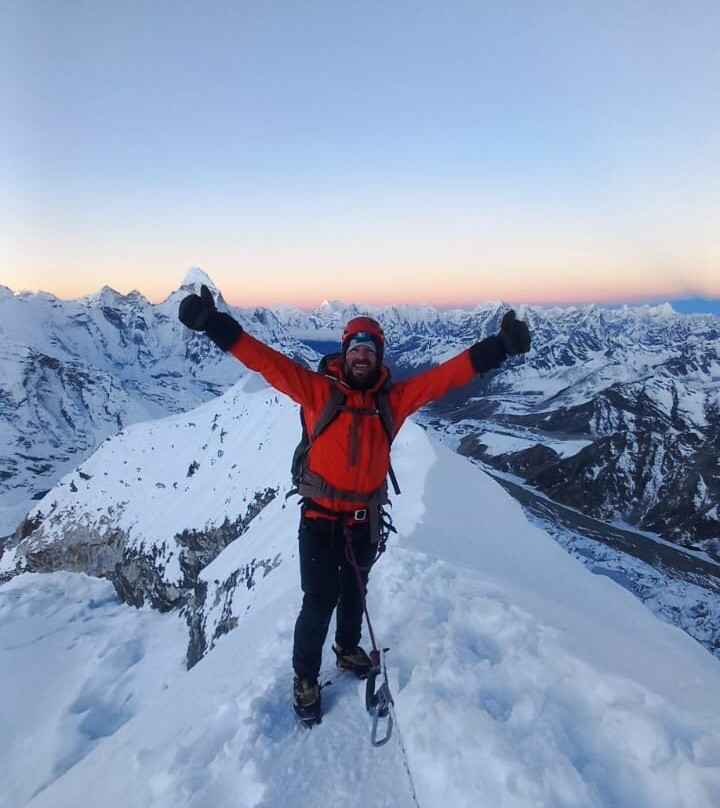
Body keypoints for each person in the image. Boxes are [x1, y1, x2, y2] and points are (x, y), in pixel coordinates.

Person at [179, 285, 530, 723]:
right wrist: (212, 323)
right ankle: (305, 678)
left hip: (364, 520)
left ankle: (346, 650)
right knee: (319, 600)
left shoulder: (393, 402)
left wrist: (500, 345)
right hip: (321, 520)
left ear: (379, 357)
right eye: (355, 347)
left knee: (355, 591)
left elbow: (447, 377)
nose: (362, 355)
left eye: (370, 348)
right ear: (345, 353)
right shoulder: (317, 392)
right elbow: (264, 360)